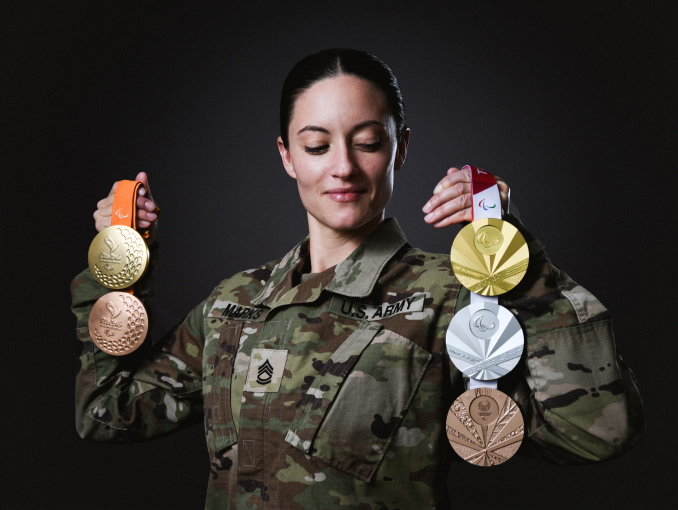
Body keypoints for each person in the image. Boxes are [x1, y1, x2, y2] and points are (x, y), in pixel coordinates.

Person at [72, 48, 645, 509]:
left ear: (400, 150)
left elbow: (597, 431)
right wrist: (115, 269)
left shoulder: (448, 300)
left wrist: (512, 257)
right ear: (287, 157)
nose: (343, 166)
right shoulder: (233, 304)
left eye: (368, 142)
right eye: (317, 145)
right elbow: (107, 413)